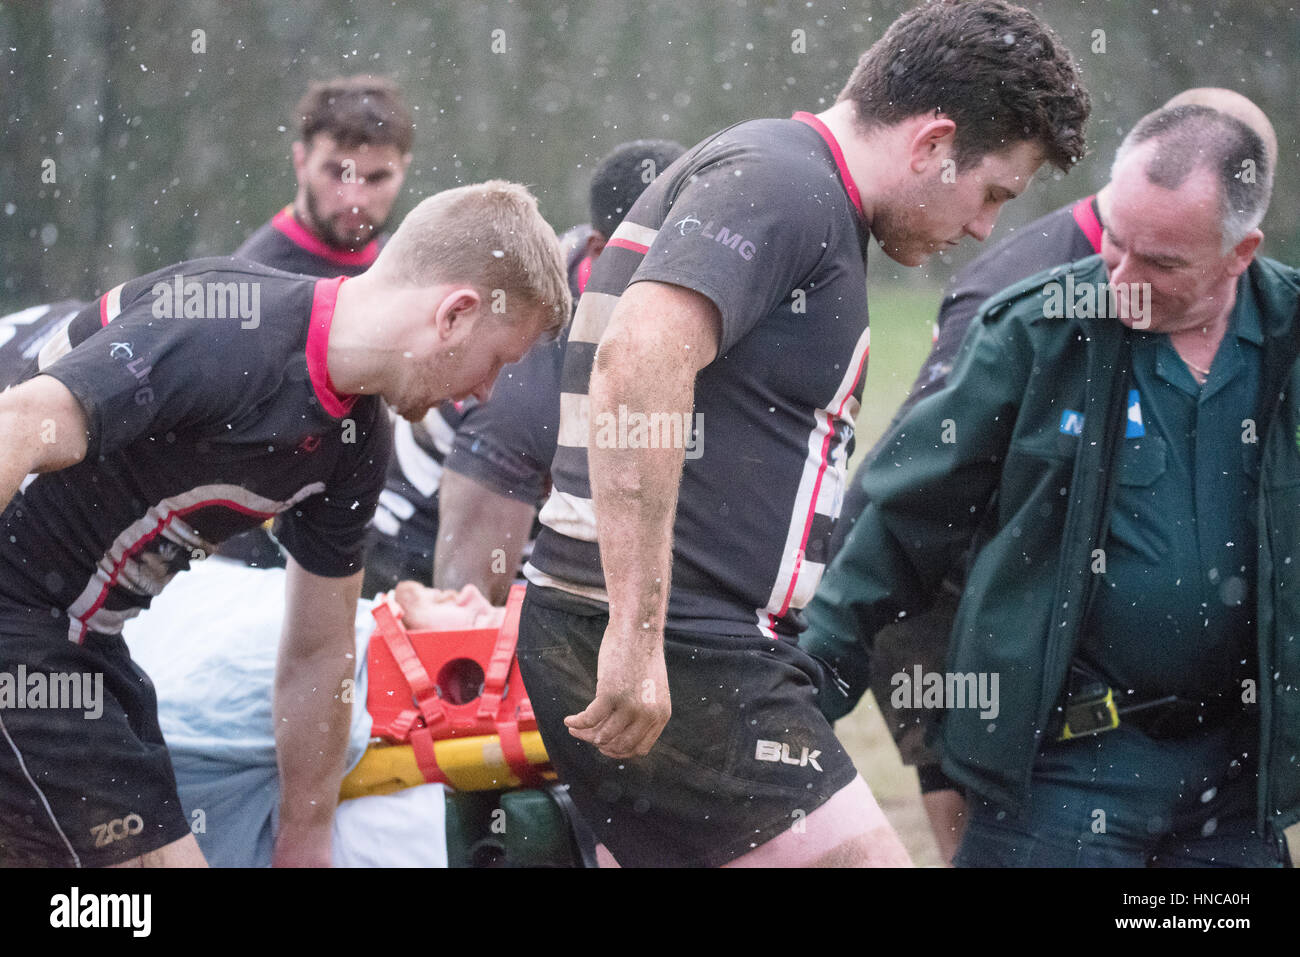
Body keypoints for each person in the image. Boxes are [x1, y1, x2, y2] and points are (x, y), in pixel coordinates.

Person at [516, 0, 1091, 868]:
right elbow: (636, 360)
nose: (983, 227)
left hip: (677, 639)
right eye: (992, 193)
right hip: (681, 645)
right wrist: (635, 634)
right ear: (934, 144)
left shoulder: (787, 180)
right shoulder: (786, 186)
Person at [0, 180, 568, 868]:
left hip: (87, 644)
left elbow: (318, 652)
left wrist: (306, 839)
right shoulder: (228, 326)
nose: (485, 392)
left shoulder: (356, 443)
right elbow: (19, 422)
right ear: (455, 314)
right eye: (500, 361)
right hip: (22, 618)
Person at [803, 103, 1297, 867]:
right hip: (1062, 776)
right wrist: (802, 696)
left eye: (1162, 263)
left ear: (1241, 252)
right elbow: (899, 523)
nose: (1124, 281)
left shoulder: (1287, 342)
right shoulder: (1038, 331)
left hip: (1234, 787)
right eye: (1117, 247)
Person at [432, 139, 686, 604]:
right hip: (414, 552)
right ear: (603, 253)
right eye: (672, 259)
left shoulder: (620, 251)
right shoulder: (530, 374)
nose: (697, 274)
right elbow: (465, 607)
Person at [235, 75, 413, 276]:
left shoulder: (414, 274)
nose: (354, 199)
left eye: (376, 178)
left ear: (403, 170)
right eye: (338, 174)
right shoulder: (250, 283)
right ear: (301, 162)